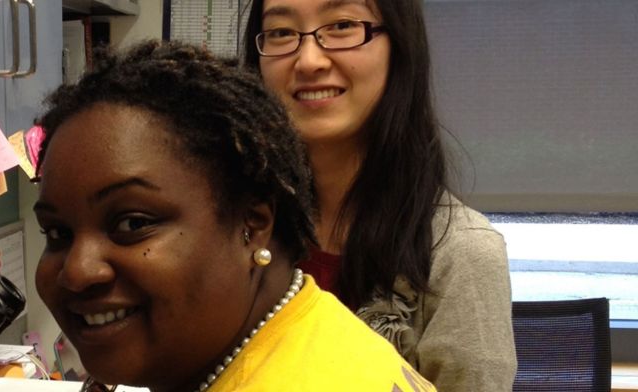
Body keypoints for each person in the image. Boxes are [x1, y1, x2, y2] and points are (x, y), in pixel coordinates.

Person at [31, 40, 435, 392]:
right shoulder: (313, 328)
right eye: (57, 233)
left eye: (133, 223)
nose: (78, 271)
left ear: (253, 225)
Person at [243, 0, 516, 389]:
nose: (308, 61)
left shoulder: (459, 253)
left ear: (399, 48)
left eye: (341, 25)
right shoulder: (231, 227)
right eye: (282, 32)